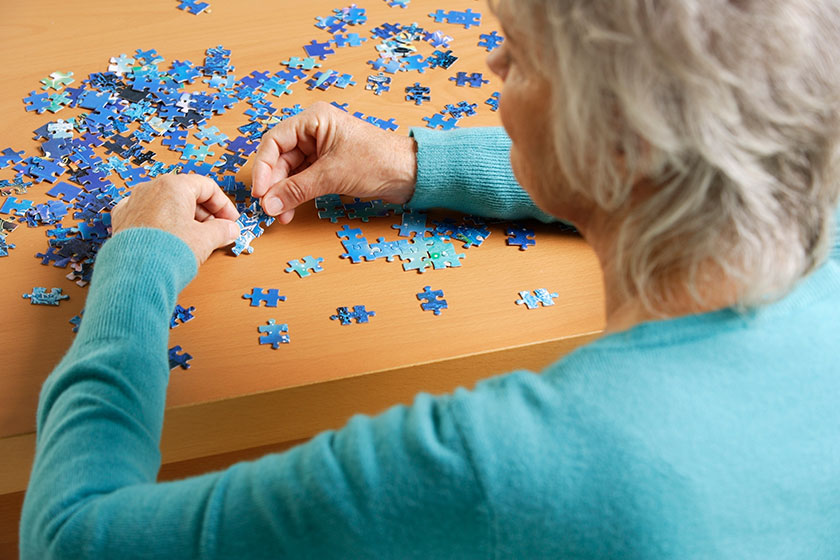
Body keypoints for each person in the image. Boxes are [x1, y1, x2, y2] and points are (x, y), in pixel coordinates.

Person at [20, 0, 840, 557]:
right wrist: (409, 162)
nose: (490, 60)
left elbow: (72, 539)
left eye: (518, 58)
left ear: (618, 146)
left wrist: (138, 262)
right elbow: (697, 172)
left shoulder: (495, 462)